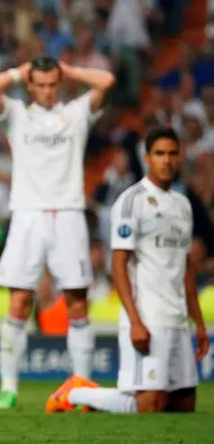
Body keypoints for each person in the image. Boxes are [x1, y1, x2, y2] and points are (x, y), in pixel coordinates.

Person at [0, 55, 116, 410]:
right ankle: (8, 388)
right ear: (30, 85)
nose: (48, 91)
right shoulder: (17, 114)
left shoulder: (78, 112)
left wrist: (70, 70)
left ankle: (82, 387)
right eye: (40, 84)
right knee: (19, 302)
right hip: (28, 215)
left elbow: (106, 81)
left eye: (53, 84)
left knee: (77, 303)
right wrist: (17, 72)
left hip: (69, 214)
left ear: (61, 83)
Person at [46, 127, 209, 414]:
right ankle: (76, 393)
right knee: (148, 405)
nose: (167, 160)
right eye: (159, 153)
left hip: (177, 317)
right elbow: (118, 263)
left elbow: (185, 267)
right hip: (148, 314)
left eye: (172, 153)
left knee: (183, 405)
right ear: (147, 158)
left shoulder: (183, 205)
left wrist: (197, 321)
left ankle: (84, 394)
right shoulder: (132, 201)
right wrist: (134, 320)